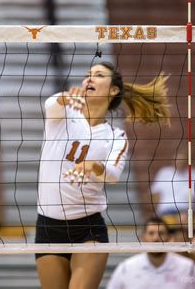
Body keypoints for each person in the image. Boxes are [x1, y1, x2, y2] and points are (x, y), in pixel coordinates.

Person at [35, 62, 170, 289]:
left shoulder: (116, 136)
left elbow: (113, 175)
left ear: (113, 90)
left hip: (88, 230)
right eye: (88, 75)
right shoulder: (64, 113)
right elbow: (51, 103)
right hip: (48, 227)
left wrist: (94, 166)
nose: (90, 79)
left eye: (98, 75)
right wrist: (66, 98)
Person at [106, 217, 195, 289]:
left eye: (161, 233)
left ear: (169, 238)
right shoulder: (126, 268)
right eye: (151, 233)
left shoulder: (189, 268)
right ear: (143, 237)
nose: (156, 238)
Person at [151, 145, 195, 218]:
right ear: (173, 159)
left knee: (184, 218)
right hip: (166, 211)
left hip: (187, 212)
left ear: (188, 160)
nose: (180, 161)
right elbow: (155, 196)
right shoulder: (164, 173)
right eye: (178, 158)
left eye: (183, 159)